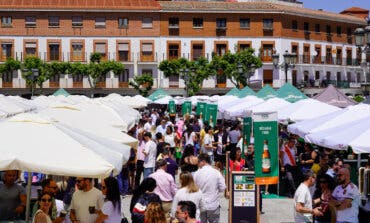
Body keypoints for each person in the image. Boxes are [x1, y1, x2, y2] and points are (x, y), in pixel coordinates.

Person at [194, 153, 226, 223]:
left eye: (198, 162)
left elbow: (193, 188)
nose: (198, 164)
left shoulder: (196, 174)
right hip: (213, 204)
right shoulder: (216, 172)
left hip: (201, 205)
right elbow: (223, 187)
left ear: (203, 161)